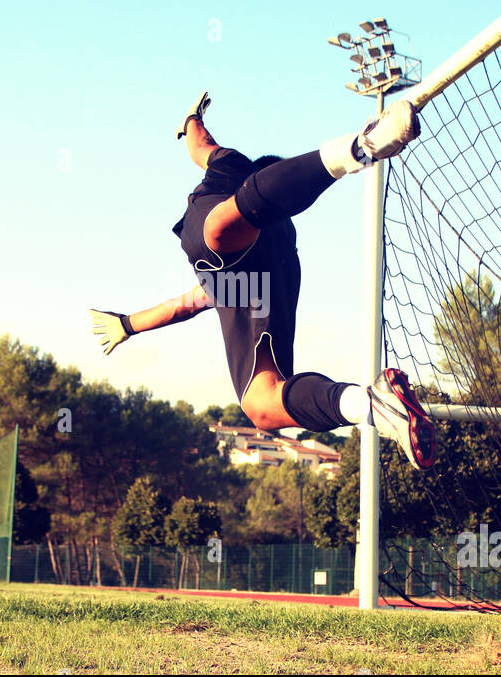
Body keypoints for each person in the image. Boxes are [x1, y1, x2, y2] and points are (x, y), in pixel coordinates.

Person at [90, 92, 435, 469]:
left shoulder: (229, 167)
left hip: (250, 245)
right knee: (262, 406)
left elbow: (200, 144)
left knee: (218, 228)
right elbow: (182, 306)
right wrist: (127, 324)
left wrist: (190, 118)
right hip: (272, 267)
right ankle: (369, 404)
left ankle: (362, 146)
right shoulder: (244, 236)